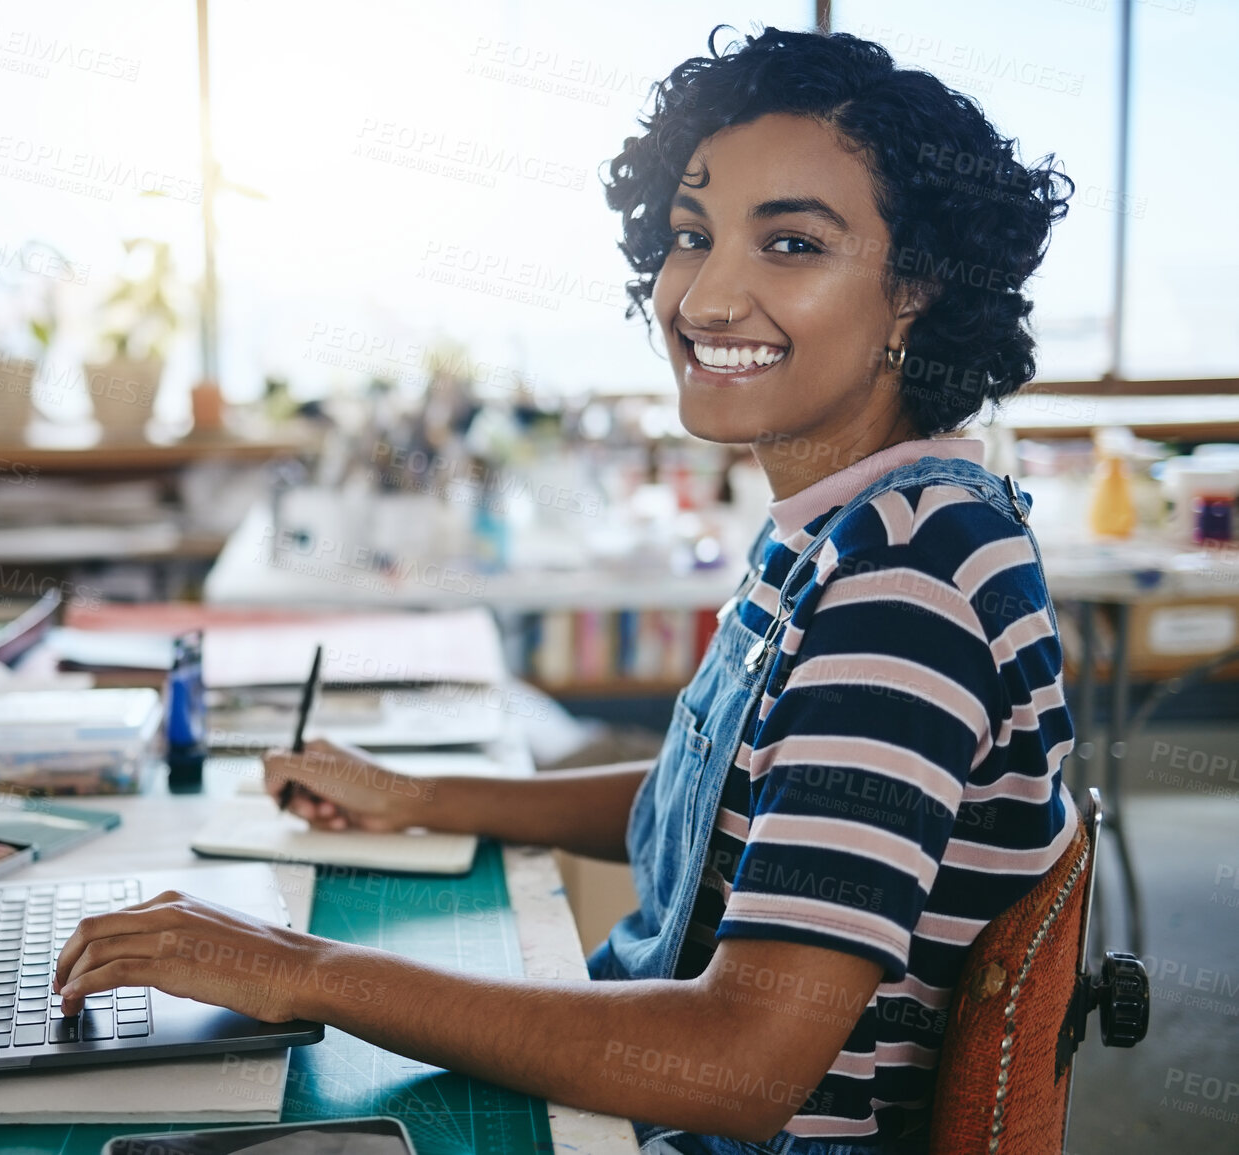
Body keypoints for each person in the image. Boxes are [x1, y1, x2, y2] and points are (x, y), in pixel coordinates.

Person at [54, 25, 1077, 1154]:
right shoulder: (856, 522)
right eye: (692, 236)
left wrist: (298, 971)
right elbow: (743, 786)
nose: (709, 295)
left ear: (915, 293)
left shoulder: (905, 581)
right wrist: (424, 800)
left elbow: (740, 1066)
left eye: (790, 243)